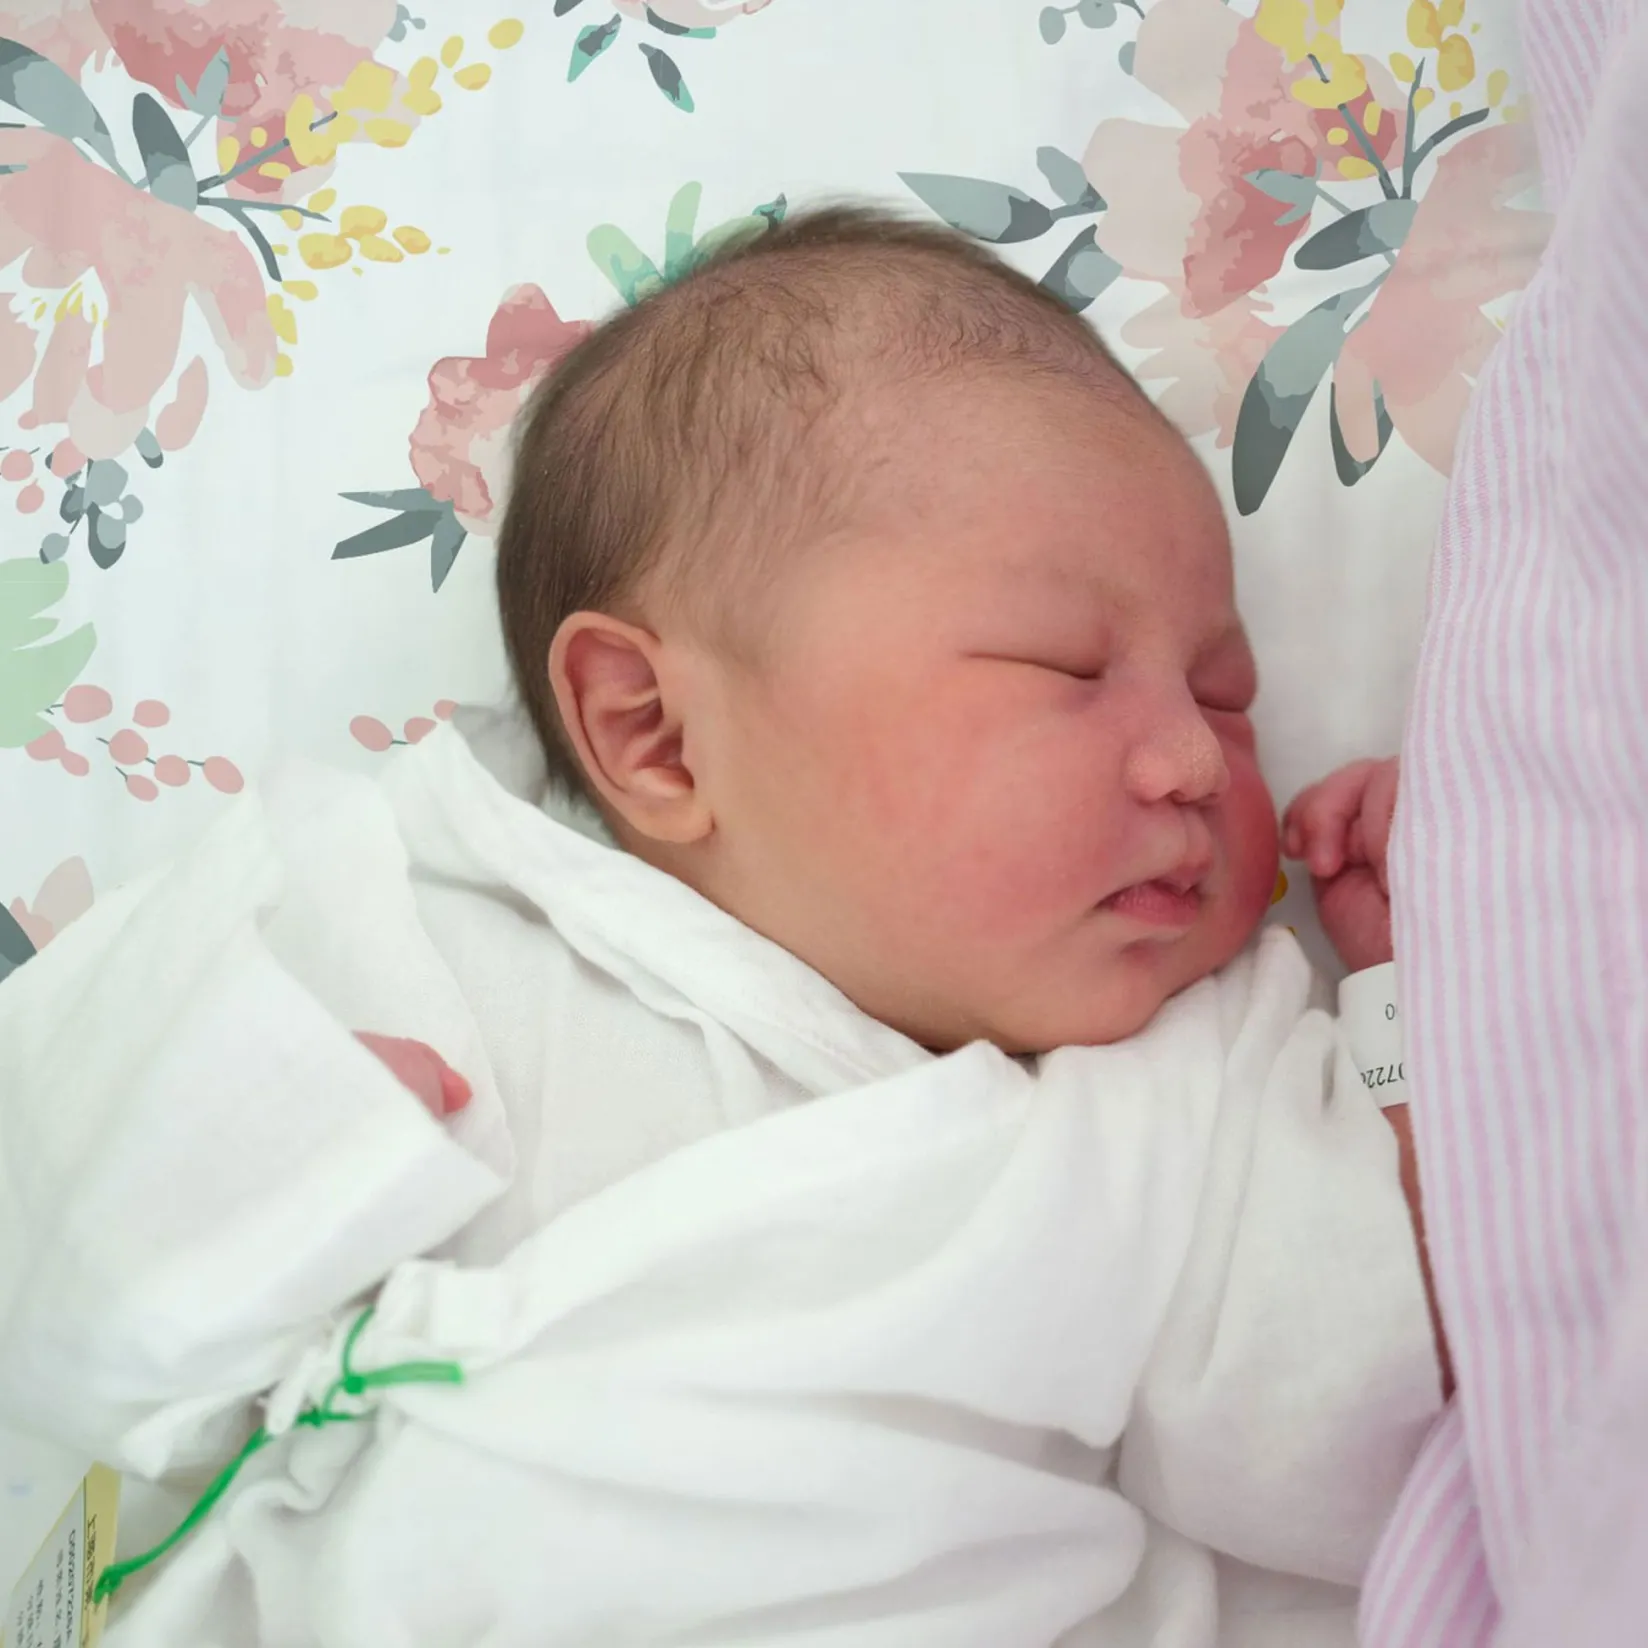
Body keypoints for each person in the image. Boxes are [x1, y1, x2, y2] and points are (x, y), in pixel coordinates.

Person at [0, 207, 1441, 1647]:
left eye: (1225, 696)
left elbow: (1362, 1401)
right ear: (655, 733)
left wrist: (1414, 995)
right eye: (1065, 668)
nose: (1191, 759)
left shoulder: (1188, 1088)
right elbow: (54, 1257)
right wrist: (245, 1128)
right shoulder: (392, 910)